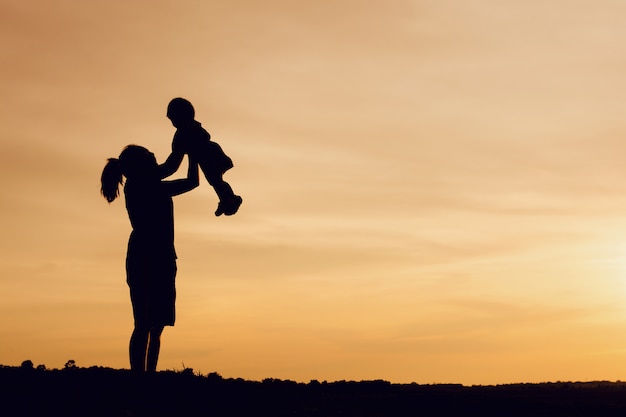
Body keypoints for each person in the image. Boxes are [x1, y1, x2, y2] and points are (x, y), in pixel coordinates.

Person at [101, 145, 199, 372]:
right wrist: (186, 145)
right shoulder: (140, 185)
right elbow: (172, 167)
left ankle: (148, 378)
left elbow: (191, 182)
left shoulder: (152, 185)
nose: (154, 156)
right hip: (148, 256)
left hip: (160, 256)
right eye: (149, 156)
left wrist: (192, 154)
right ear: (139, 166)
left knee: (155, 326)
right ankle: (140, 378)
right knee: (144, 324)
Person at [160, 97, 242, 216]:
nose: (173, 123)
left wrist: (193, 148)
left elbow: (202, 138)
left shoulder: (190, 130)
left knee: (216, 180)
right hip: (204, 157)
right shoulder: (184, 133)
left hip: (209, 155)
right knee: (215, 180)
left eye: (174, 119)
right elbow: (174, 158)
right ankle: (227, 199)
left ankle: (229, 199)